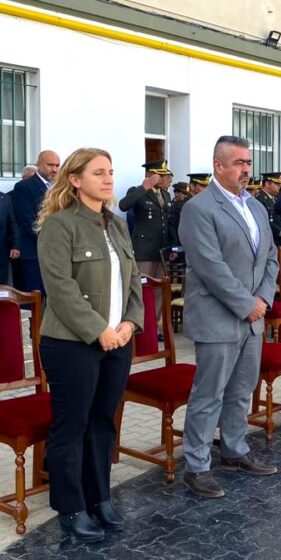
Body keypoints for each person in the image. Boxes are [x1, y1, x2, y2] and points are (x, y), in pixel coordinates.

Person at [36, 148, 143, 542]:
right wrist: (100, 330)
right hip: (72, 345)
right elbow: (60, 288)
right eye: (98, 172)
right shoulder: (59, 226)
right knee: (72, 426)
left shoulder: (116, 224)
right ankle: (71, 507)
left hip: (119, 341)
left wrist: (131, 322)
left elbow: (133, 282)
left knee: (102, 423)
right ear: (76, 180)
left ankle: (99, 497)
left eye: (111, 171)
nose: (108, 178)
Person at [178, 136, 279, 498]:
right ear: (218, 166)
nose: (246, 169)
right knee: (210, 393)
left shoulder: (255, 207)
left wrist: (263, 298)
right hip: (218, 316)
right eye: (238, 163)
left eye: (248, 162)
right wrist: (246, 303)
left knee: (241, 390)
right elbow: (210, 267)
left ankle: (235, 449)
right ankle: (197, 464)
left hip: (253, 316)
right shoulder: (199, 208)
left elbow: (270, 257)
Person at [118, 160, 176, 283]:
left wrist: (172, 246)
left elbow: (169, 223)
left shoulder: (166, 195)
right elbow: (123, 205)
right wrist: (144, 187)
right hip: (144, 250)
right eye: (160, 175)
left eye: (164, 175)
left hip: (162, 251)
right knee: (143, 287)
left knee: (161, 288)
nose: (164, 178)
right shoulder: (138, 191)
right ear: (150, 175)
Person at [11, 150, 60, 294]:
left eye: (57, 165)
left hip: (57, 255)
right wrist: (54, 241)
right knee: (33, 302)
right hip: (34, 255)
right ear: (38, 164)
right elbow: (27, 222)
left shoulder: (60, 188)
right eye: (50, 165)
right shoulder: (24, 187)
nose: (54, 169)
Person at [255, 172, 281, 246]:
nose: (280, 186)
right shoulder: (259, 199)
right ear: (267, 183)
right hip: (270, 240)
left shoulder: (276, 199)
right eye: (277, 184)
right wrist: (280, 232)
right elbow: (263, 221)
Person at [0, 189, 19, 285]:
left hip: (2, 250)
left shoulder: (5, 199)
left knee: (2, 282)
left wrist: (15, 246)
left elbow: (12, 223)